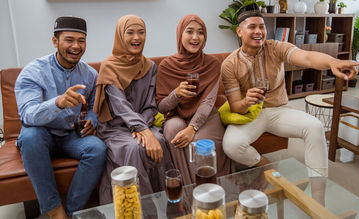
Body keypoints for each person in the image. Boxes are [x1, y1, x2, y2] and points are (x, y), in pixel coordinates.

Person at [221, 3, 359, 177]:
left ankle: (318, 190)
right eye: (252, 27)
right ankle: (265, 165)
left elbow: (307, 57)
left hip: (279, 111)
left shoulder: (275, 48)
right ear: (239, 31)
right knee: (231, 145)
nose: (258, 31)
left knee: (315, 127)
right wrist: (245, 101)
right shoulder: (229, 64)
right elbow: (235, 107)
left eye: (262, 27)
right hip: (251, 114)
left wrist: (332, 62)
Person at [14, 16, 107, 219]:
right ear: (55, 41)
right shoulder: (33, 71)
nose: (76, 46)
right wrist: (58, 103)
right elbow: (27, 115)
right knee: (30, 136)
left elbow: (95, 106)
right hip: (41, 134)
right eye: (69, 40)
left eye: (81, 41)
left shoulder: (90, 74)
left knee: (97, 148)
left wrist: (93, 119)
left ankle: (74, 213)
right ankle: (55, 212)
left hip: (68, 135)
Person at [94, 15, 174, 204]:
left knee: (161, 140)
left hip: (142, 123)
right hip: (115, 127)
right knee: (133, 148)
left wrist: (144, 129)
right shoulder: (109, 66)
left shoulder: (150, 66)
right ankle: (137, 209)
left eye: (141, 32)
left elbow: (150, 105)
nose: (136, 37)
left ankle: (167, 207)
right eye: (130, 32)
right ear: (120, 36)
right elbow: (119, 106)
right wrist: (143, 131)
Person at [156, 14, 233, 185]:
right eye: (189, 31)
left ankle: (211, 189)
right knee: (173, 130)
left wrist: (193, 127)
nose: (195, 37)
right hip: (176, 115)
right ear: (180, 35)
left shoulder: (212, 64)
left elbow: (208, 102)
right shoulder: (167, 66)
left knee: (201, 144)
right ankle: (190, 191)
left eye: (200, 32)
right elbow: (161, 107)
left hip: (206, 116)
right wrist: (176, 94)